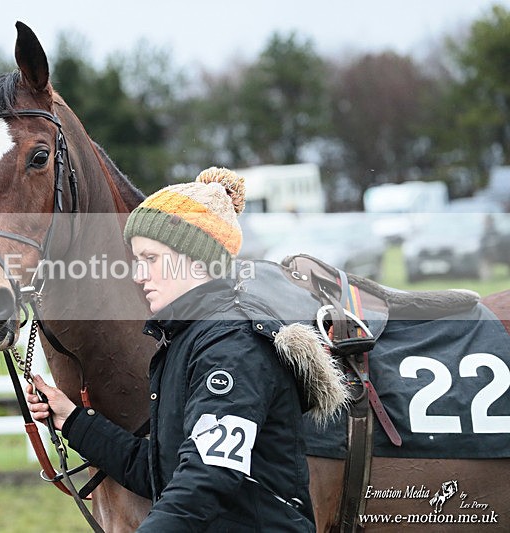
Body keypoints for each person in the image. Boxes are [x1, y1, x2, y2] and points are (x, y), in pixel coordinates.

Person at [27, 167, 348, 531]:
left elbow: (209, 476)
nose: (138, 275)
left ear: (195, 258)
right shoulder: (184, 340)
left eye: (150, 259)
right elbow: (158, 472)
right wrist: (71, 419)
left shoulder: (231, 345)